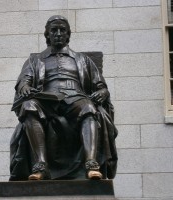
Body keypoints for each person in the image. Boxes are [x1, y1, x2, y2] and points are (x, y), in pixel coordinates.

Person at [10, 15, 117, 181]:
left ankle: (91, 163)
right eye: (54, 30)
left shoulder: (83, 60)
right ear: (47, 35)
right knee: (29, 106)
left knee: (89, 107)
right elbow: (25, 80)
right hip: (46, 100)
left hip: (75, 98)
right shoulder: (35, 60)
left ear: (68, 35)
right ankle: (41, 165)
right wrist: (24, 86)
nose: (58, 33)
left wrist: (103, 92)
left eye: (62, 30)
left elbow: (100, 85)